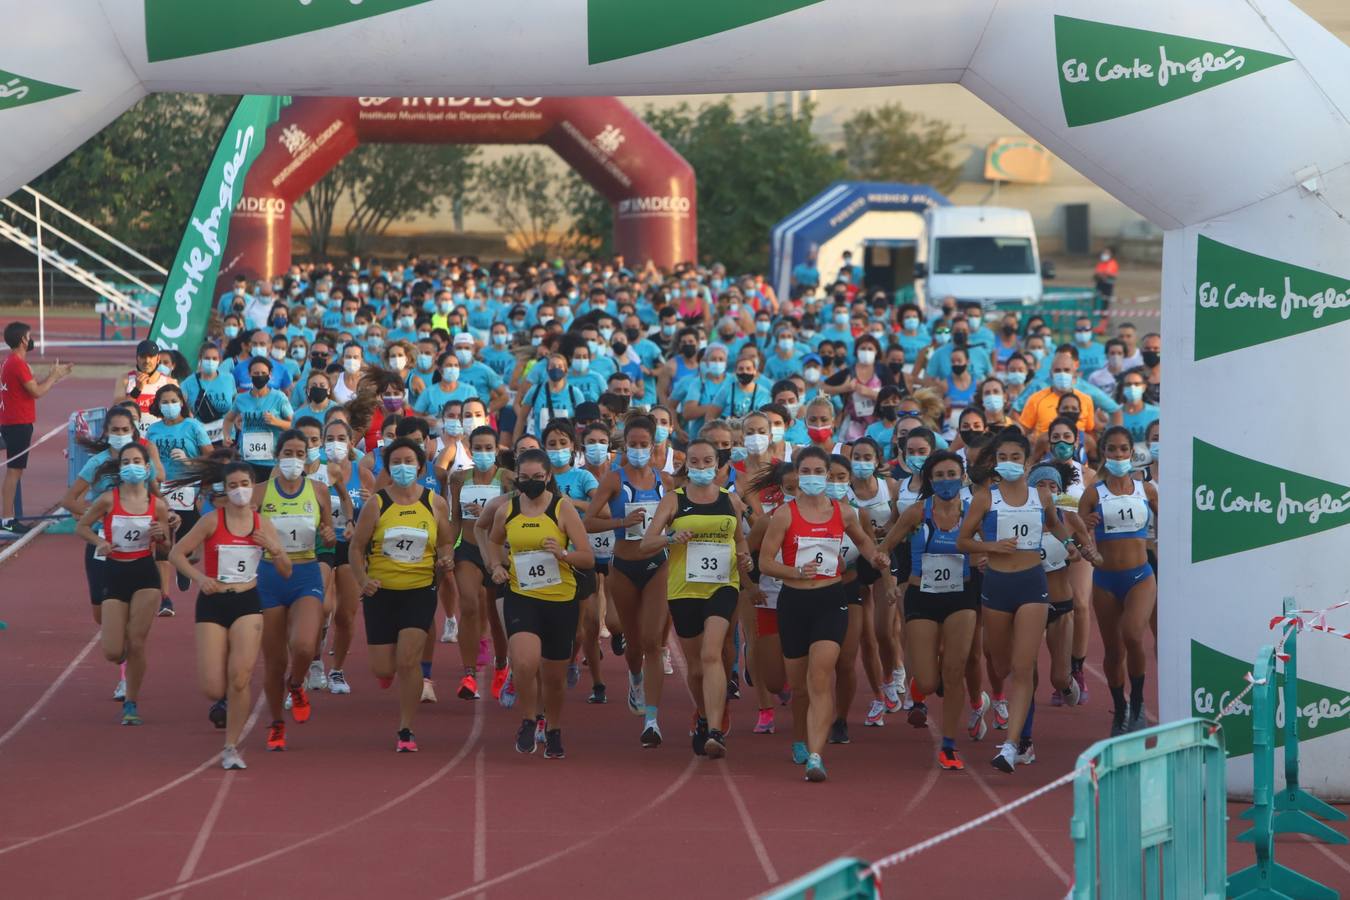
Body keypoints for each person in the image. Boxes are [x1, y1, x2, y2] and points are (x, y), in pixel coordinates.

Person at [757, 446, 887, 782]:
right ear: (797, 475)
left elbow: (864, 542)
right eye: (807, 472)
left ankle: (816, 756)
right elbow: (765, 562)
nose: (813, 478)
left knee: (819, 677)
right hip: (794, 604)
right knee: (799, 687)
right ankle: (800, 737)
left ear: (828, 476)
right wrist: (795, 572)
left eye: (819, 472)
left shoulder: (843, 512)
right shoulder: (785, 515)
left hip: (831, 600)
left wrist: (877, 557)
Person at [958, 429, 1080, 773]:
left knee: (1024, 668)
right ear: (995, 463)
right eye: (1003, 458)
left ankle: (1012, 746)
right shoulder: (985, 498)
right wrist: (992, 547)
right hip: (997, 585)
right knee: (1000, 665)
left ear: (1027, 462)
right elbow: (964, 541)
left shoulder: (1041, 496)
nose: (1009, 464)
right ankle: (1002, 715)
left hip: (1032, 584)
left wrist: (1070, 543)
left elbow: (1056, 525)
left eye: (1016, 458)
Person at [168, 459, 289, 769]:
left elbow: (285, 570)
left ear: (253, 487)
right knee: (212, 687)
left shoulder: (263, 523)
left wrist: (274, 549)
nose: (239, 491)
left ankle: (231, 746)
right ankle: (222, 699)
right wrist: (199, 578)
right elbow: (176, 554)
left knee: (241, 678)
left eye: (244, 485)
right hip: (213, 601)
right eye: (233, 486)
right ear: (225, 489)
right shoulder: (212, 521)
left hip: (247, 602)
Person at [640, 439, 753, 757]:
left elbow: (741, 541)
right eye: (695, 462)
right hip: (684, 589)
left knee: (711, 653)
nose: (701, 467)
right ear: (686, 465)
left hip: (722, 585)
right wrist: (670, 537)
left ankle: (716, 730)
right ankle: (703, 716)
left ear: (718, 465)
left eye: (707, 462)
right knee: (695, 665)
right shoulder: (674, 501)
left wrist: (746, 561)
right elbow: (646, 544)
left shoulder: (731, 500)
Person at [349, 436, 456, 751]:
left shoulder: (434, 503)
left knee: (409, 661)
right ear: (388, 467)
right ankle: (387, 672)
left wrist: (446, 557)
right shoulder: (377, 503)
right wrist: (362, 579)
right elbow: (356, 547)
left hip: (419, 590)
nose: (403, 467)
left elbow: (446, 541)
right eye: (397, 462)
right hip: (381, 592)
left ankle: (406, 729)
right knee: (384, 667)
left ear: (421, 468)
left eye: (409, 462)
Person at [485, 449, 594, 758]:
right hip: (522, 595)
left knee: (554, 677)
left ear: (548, 478)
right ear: (516, 479)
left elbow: (586, 557)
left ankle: (554, 727)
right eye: (524, 478)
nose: (530, 483)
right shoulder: (507, 510)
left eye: (537, 478)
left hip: (560, 599)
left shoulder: (563, 509)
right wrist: (496, 566)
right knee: (523, 662)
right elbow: (493, 541)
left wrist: (563, 554)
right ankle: (528, 720)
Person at [881, 451, 979, 770]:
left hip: (962, 595)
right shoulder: (915, 513)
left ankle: (949, 746)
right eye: (939, 475)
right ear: (930, 480)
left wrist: (989, 558)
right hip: (922, 595)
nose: (946, 481)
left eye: (952, 474)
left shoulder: (975, 512)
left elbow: (993, 546)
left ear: (963, 478)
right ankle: (920, 686)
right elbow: (885, 549)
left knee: (954, 670)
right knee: (925, 681)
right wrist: (890, 578)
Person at [583, 414, 672, 747]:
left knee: (652, 642)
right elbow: (589, 522)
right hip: (623, 565)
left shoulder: (666, 481)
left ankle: (652, 719)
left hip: (657, 567)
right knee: (633, 645)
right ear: (624, 447)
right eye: (632, 445)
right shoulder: (614, 481)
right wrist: (621, 521)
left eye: (643, 445)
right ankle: (635, 678)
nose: (637, 450)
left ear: (653, 446)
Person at [74, 441, 172, 725]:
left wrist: (161, 534)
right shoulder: (108, 499)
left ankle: (131, 701)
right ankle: (127, 662)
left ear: (146, 467)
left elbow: (165, 548)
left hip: (144, 574)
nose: (131, 466)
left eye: (137, 462)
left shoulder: (158, 505)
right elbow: (82, 526)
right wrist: (99, 542)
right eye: (126, 462)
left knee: (138, 642)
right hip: (114, 572)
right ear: (120, 468)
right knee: (113, 650)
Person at [255, 429, 335, 751]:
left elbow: (329, 532)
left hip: (305, 573)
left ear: (307, 457)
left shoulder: (318, 491)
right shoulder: (260, 492)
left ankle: (298, 683)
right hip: (269, 575)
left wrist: (330, 537)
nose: (293, 459)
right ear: (277, 456)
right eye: (287, 452)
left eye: (299, 453)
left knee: (303, 646)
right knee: (274, 661)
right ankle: (276, 723)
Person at [1080, 426, 1157, 735]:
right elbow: (1077, 535)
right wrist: (1086, 532)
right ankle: (1120, 707)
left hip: (1140, 575)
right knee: (1113, 651)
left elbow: (1170, 528)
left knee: (1134, 635)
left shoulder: (1147, 491)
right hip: (1105, 580)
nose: (1118, 455)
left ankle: (1137, 702)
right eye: (1112, 450)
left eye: (1123, 449)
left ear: (1131, 453)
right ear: (1104, 454)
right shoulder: (1093, 493)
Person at [448, 423, 514, 701]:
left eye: (489, 448)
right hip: (469, 549)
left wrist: (490, 511)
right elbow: (455, 518)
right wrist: (447, 549)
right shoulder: (459, 479)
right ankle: (469, 673)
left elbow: (515, 514)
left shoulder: (508, 478)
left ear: (496, 450)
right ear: (470, 450)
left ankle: (501, 665)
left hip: (497, 553)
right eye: (478, 448)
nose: (484, 452)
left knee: (496, 616)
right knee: (469, 605)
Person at [1, 321, 72, 533]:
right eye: (29, 336)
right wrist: (55, 376)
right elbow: (37, 392)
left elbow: (32, 388)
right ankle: (7, 519)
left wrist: (53, 377)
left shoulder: (11, 362)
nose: (31, 340)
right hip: (17, 423)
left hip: (14, 421)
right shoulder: (17, 364)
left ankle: (7, 518)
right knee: (14, 472)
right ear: (23, 340)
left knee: (15, 471)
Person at [222, 357, 294, 482]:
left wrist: (276, 422)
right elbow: (228, 419)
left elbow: (294, 424)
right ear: (249, 374)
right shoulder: (241, 399)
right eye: (256, 373)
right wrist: (227, 436)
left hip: (272, 461)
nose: (260, 376)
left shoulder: (279, 397)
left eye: (263, 373)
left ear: (270, 374)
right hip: (247, 460)